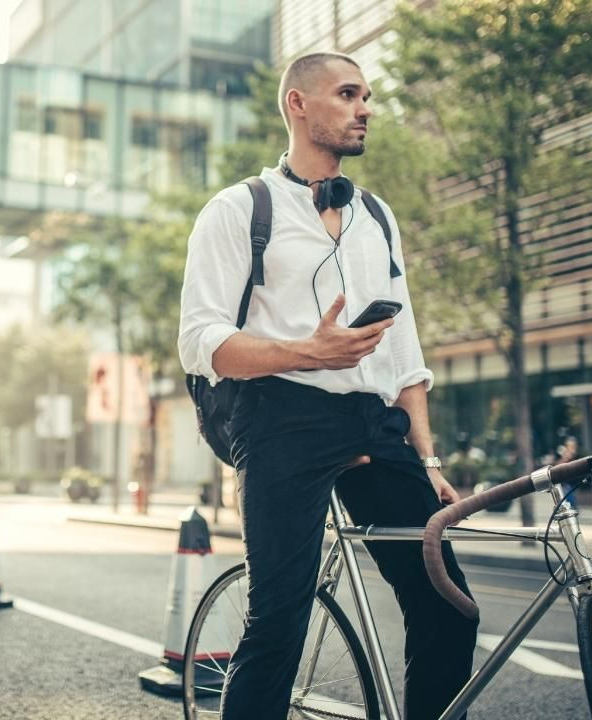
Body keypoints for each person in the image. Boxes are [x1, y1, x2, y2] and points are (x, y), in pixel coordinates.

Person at [177, 52, 477, 720]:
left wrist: (427, 457)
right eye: (348, 94)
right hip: (280, 420)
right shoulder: (238, 210)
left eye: (367, 95)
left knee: (450, 606)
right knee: (277, 624)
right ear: (298, 104)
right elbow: (200, 342)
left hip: (375, 422)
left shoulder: (376, 216)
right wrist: (304, 351)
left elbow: (404, 345)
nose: (365, 107)